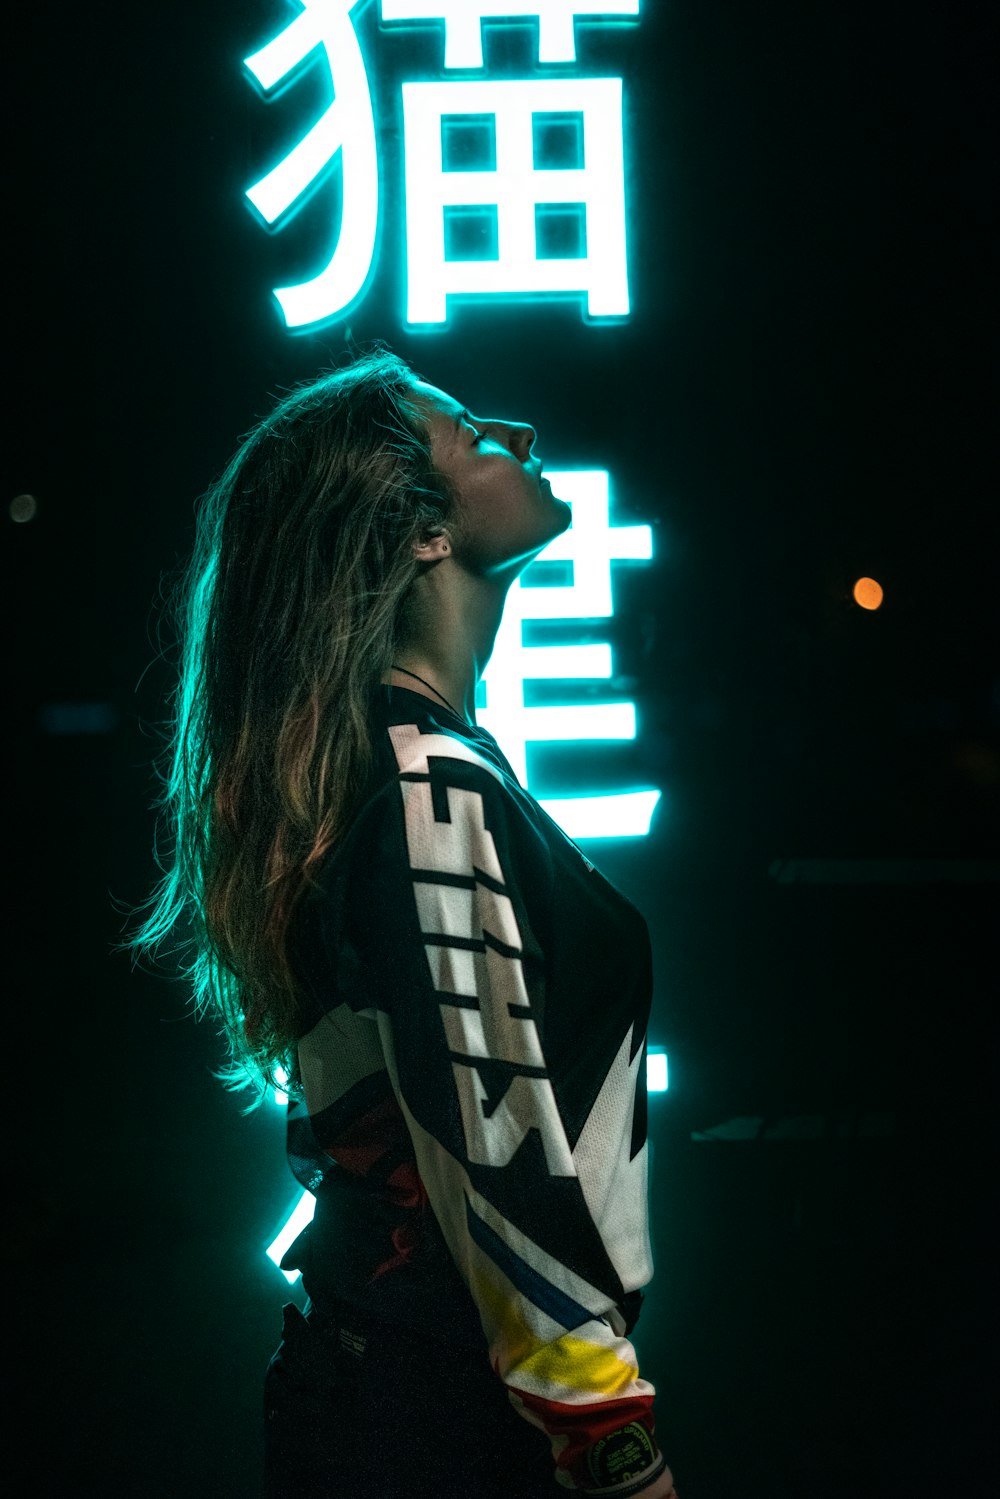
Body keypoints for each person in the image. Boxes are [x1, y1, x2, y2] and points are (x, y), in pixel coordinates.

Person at [128, 346, 678, 1498]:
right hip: (449, 1427)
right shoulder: (429, 791)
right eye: (473, 431)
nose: (520, 429)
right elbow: (500, 1166)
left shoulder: (412, 773)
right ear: (420, 530)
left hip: (406, 1400)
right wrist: (613, 1451)